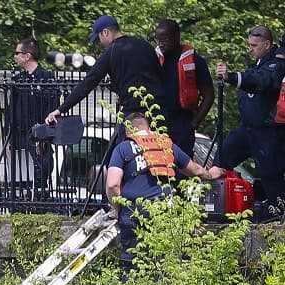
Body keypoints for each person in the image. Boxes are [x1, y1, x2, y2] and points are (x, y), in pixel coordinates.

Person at [106, 113, 225, 272]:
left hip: (133, 211)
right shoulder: (166, 145)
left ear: (129, 130)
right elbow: (195, 170)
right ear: (148, 127)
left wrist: (118, 209)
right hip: (164, 210)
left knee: (133, 266)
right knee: (165, 263)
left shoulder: (123, 148)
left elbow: (113, 184)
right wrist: (211, 174)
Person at [215, 25, 285, 219]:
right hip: (248, 128)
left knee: (271, 175)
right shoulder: (259, 63)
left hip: (267, 130)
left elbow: (260, 81)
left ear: (267, 44)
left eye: (254, 45)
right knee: (221, 159)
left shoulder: (276, 65)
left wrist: (231, 77)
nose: (250, 49)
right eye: (249, 45)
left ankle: (274, 216)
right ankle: (220, 203)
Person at [46, 15, 165, 129]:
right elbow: (159, 75)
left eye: (98, 38)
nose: (100, 43)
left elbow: (87, 84)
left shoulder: (111, 51)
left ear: (105, 32)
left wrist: (61, 109)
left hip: (133, 113)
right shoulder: (145, 46)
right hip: (158, 109)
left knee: (119, 149)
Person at [4, 37, 60, 202]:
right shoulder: (18, 80)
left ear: (27, 56)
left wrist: (43, 137)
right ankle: (21, 202)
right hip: (20, 134)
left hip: (39, 134)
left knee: (41, 170)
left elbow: (52, 110)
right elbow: (11, 110)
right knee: (20, 174)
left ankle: (39, 200)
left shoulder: (46, 78)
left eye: (17, 53)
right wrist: (8, 134)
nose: (15, 56)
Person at [155, 19, 215, 156]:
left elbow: (209, 94)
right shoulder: (154, 60)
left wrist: (194, 123)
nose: (161, 43)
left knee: (182, 169)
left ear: (177, 36)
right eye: (158, 39)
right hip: (158, 121)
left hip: (182, 123)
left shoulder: (195, 61)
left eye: (165, 39)